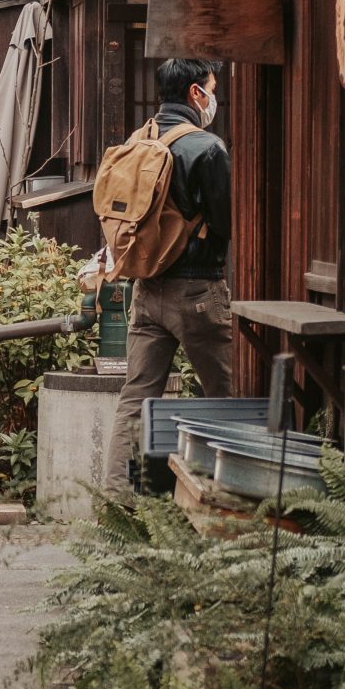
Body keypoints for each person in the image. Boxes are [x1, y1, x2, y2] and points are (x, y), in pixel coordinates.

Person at [101, 57, 233, 493]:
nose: (215, 96)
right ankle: (227, 502)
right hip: (197, 289)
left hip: (146, 287)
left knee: (135, 397)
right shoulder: (207, 148)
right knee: (223, 396)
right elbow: (224, 222)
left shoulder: (138, 141)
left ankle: (117, 500)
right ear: (196, 93)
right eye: (212, 88)